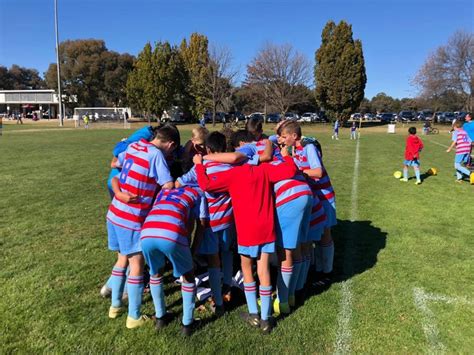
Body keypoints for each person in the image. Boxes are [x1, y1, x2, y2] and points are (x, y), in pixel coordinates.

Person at [195, 146, 297, 334]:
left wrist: (199, 165)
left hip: (246, 231)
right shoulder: (265, 170)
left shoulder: (233, 175)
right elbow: (290, 170)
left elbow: (206, 185)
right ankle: (266, 318)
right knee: (264, 270)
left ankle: (253, 314)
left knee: (247, 269)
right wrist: (286, 156)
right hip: (266, 229)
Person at [105, 125, 178, 329]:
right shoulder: (156, 156)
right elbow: (167, 185)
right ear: (170, 144)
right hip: (132, 218)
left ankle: (115, 305)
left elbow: (116, 169)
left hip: (114, 213)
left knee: (122, 259)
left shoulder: (136, 145)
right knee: (136, 263)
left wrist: (119, 192)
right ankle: (134, 316)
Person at [176, 131, 237, 311]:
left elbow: (179, 183)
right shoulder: (232, 166)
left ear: (207, 149)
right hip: (228, 219)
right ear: (224, 148)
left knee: (213, 259)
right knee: (226, 253)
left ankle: (218, 301)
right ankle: (227, 286)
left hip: (210, 222)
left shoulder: (201, 166)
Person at [140, 186, 206, 336]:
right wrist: (193, 252)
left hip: (147, 230)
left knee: (156, 273)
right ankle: (188, 324)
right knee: (188, 275)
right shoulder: (199, 194)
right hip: (171, 232)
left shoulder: (164, 191)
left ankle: (160, 317)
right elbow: (201, 224)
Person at [279, 121, 331, 291]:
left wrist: (298, 172)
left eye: (285, 137)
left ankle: (326, 273)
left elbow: (318, 172)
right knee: (311, 235)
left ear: (294, 136)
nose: (282, 140)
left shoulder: (309, 147)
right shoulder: (296, 148)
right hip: (313, 195)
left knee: (325, 234)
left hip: (324, 195)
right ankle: (316, 269)